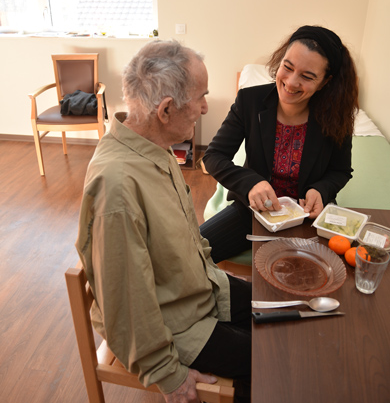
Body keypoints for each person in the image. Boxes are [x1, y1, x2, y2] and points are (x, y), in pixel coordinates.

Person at [75, 40, 251, 403]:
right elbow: (126, 301)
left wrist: (213, 276)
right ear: (166, 109)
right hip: (174, 325)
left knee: (281, 316)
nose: (205, 106)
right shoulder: (118, 186)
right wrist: (167, 374)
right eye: (201, 97)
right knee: (272, 362)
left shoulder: (155, 147)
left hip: (200, 290)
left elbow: (187, 233)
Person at [200, 25, 359, 263]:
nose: (291, 82)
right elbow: (213, 156)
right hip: (256, 210)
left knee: (329, 274)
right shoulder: (249, 101)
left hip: (309, 216)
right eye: (287, 67)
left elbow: (340, 171)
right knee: (191, 254)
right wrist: (251, 183)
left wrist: (320, 190)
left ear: (325, 82)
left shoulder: (337, 116)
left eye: (307, 76)